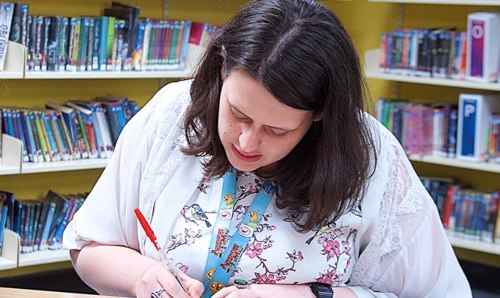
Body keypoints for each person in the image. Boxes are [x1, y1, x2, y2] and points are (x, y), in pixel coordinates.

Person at [63, 0, 472, 297]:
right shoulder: (172, 114)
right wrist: (138, 275)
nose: (246, 142)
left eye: (276, 130)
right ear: (221, 73)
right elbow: (89, 245)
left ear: (319, 117)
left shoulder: (372, 158)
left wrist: (315, 297)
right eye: (237, 113)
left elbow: (442, 293)